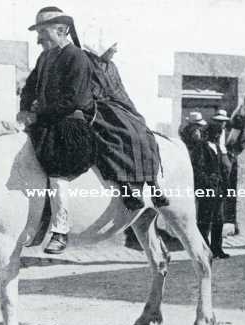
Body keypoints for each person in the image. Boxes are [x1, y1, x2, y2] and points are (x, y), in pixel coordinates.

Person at [19, 7, 167, 254]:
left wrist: (39, 113)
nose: (38, 39)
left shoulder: (76, 57)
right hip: (46, 120)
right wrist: (25, 108)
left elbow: (74, 99)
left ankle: (60, 231)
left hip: (69, 125)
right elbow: (30, 87)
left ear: (62, 30)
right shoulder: (44, 58)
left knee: (58, 173)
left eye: (43, 32)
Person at [191, 114, 230, 260]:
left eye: (219, 133)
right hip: (207, 189)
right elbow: (198, 169)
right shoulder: (201, 147)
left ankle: (217, 248)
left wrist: (224, 186)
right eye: (216, 133)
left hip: (218, 189)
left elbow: (222, 168)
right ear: (209, 133)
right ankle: (204, 249)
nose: (217, 135)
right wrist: (208, 184)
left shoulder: (218, 147)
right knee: (204, 220)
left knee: (218, 220)